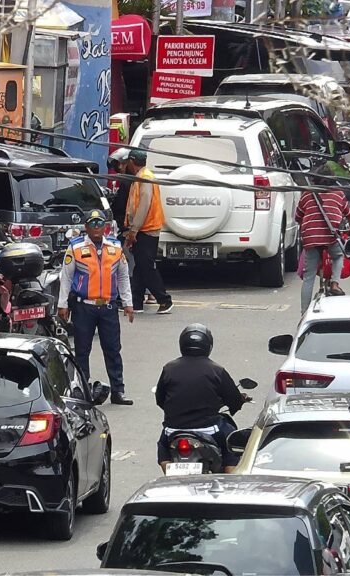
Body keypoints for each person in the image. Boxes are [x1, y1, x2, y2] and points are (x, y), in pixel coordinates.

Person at [58, 209, 135, 406]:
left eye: (100, 223)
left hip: (108, 307)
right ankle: (83, 391)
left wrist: (128, 303)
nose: (96, 228)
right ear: (86, 227)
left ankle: (118, 391)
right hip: (84, 307)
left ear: (105, 226)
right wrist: (62, 304)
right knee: (82, 350)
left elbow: (123, 276)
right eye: (92, 224)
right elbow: (66, 277)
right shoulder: (76, 247)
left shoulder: (115, 247)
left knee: (113, 350)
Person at [155, 324, 248, 473]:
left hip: (173, 429)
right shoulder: (216, 370)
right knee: (232, 445)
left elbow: (160, 399)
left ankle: (170, 474)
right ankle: (231, 480)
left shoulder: (169, 369)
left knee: (163, 448)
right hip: (210, 429)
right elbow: (233, 399)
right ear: (208, 346)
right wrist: (238, 402)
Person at [122, 149, 174, 314]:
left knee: (146, 266)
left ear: (132, 162)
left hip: (146, 229)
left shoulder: (145, 178)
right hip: (145, 228)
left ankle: (164, 300)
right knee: (140, 267)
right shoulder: (142, 176)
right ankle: (136, 302)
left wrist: (133, 230)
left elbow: (143, 206)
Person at [295, 190, 350, 311]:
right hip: (331, 236)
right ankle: (334, 284)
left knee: (309, 277)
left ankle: (304, 313)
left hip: (311, 237)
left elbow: (298, 217)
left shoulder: (307, 194)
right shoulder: (338, 194)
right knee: (338, 256)